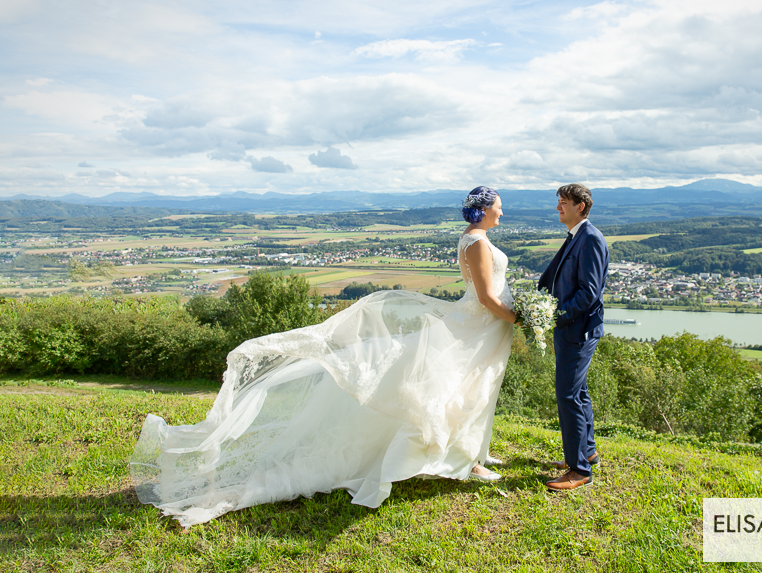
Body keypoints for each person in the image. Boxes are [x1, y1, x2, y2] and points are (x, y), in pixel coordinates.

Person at [130, 186, 516, 527]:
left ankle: (474, 451)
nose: (502, 210)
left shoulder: (471, 237)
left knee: (476, 386)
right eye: (499, 206)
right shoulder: (478, 242)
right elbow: (484, 296)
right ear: (483, 209)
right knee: (466, 387)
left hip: (484, 326)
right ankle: (466, 459)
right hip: (480, 323)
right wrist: (518, 315)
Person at [537, 183, 609, 491]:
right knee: (578, 392)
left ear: (580, 206)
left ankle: (579, 470)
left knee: (567, 395)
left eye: (563, 202)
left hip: (577, 329)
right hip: (571, 328)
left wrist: (555, 316)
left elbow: (589, 295)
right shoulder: (577, 235)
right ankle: (587, 452)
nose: (558, 207)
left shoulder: (590, 239)